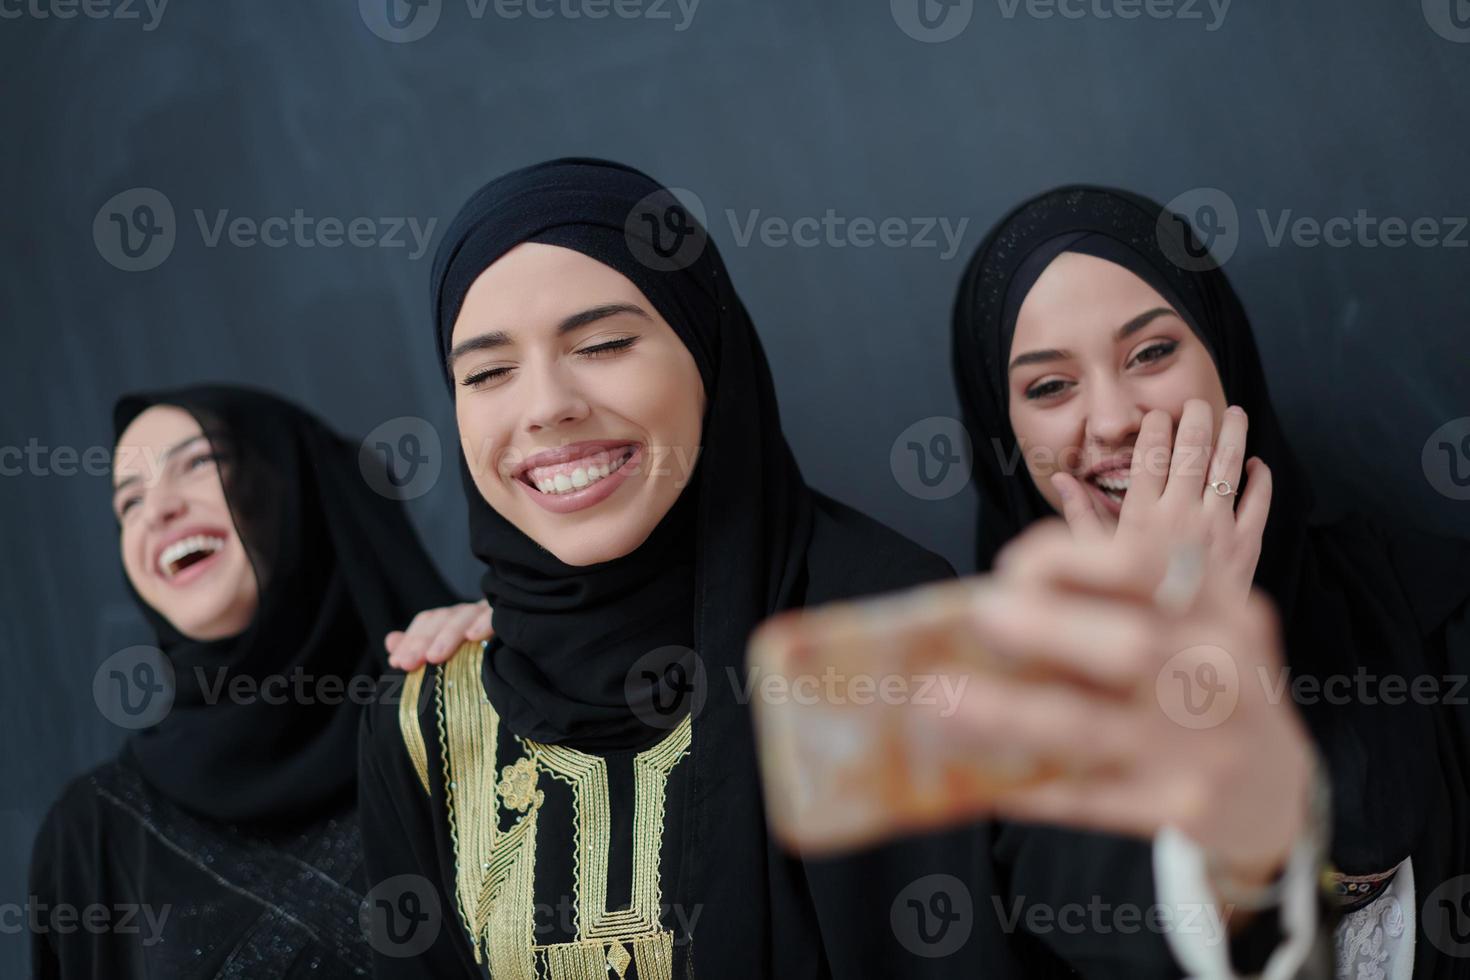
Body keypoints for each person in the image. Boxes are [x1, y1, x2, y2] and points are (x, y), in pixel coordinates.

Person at [358, 159, 1334, 978]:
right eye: (486, 372)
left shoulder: (885, 634)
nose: (545, 405)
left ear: (709, 356)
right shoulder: (431, 716)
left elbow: (1120, 929)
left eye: (605, 343)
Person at [950, 185, 1469, 978]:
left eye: (1152, 352)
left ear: (1225, 355)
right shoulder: (984, 715)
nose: (1116, 417)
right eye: (1050, 386)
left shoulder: (1433, 600)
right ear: (1004, 431)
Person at [29, 385, 459, 978]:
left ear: (298, 487)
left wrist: (519, 645)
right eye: (128, 502)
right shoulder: (95, 832)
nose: (157, 511)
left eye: (200, 463)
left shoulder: (459, 714)